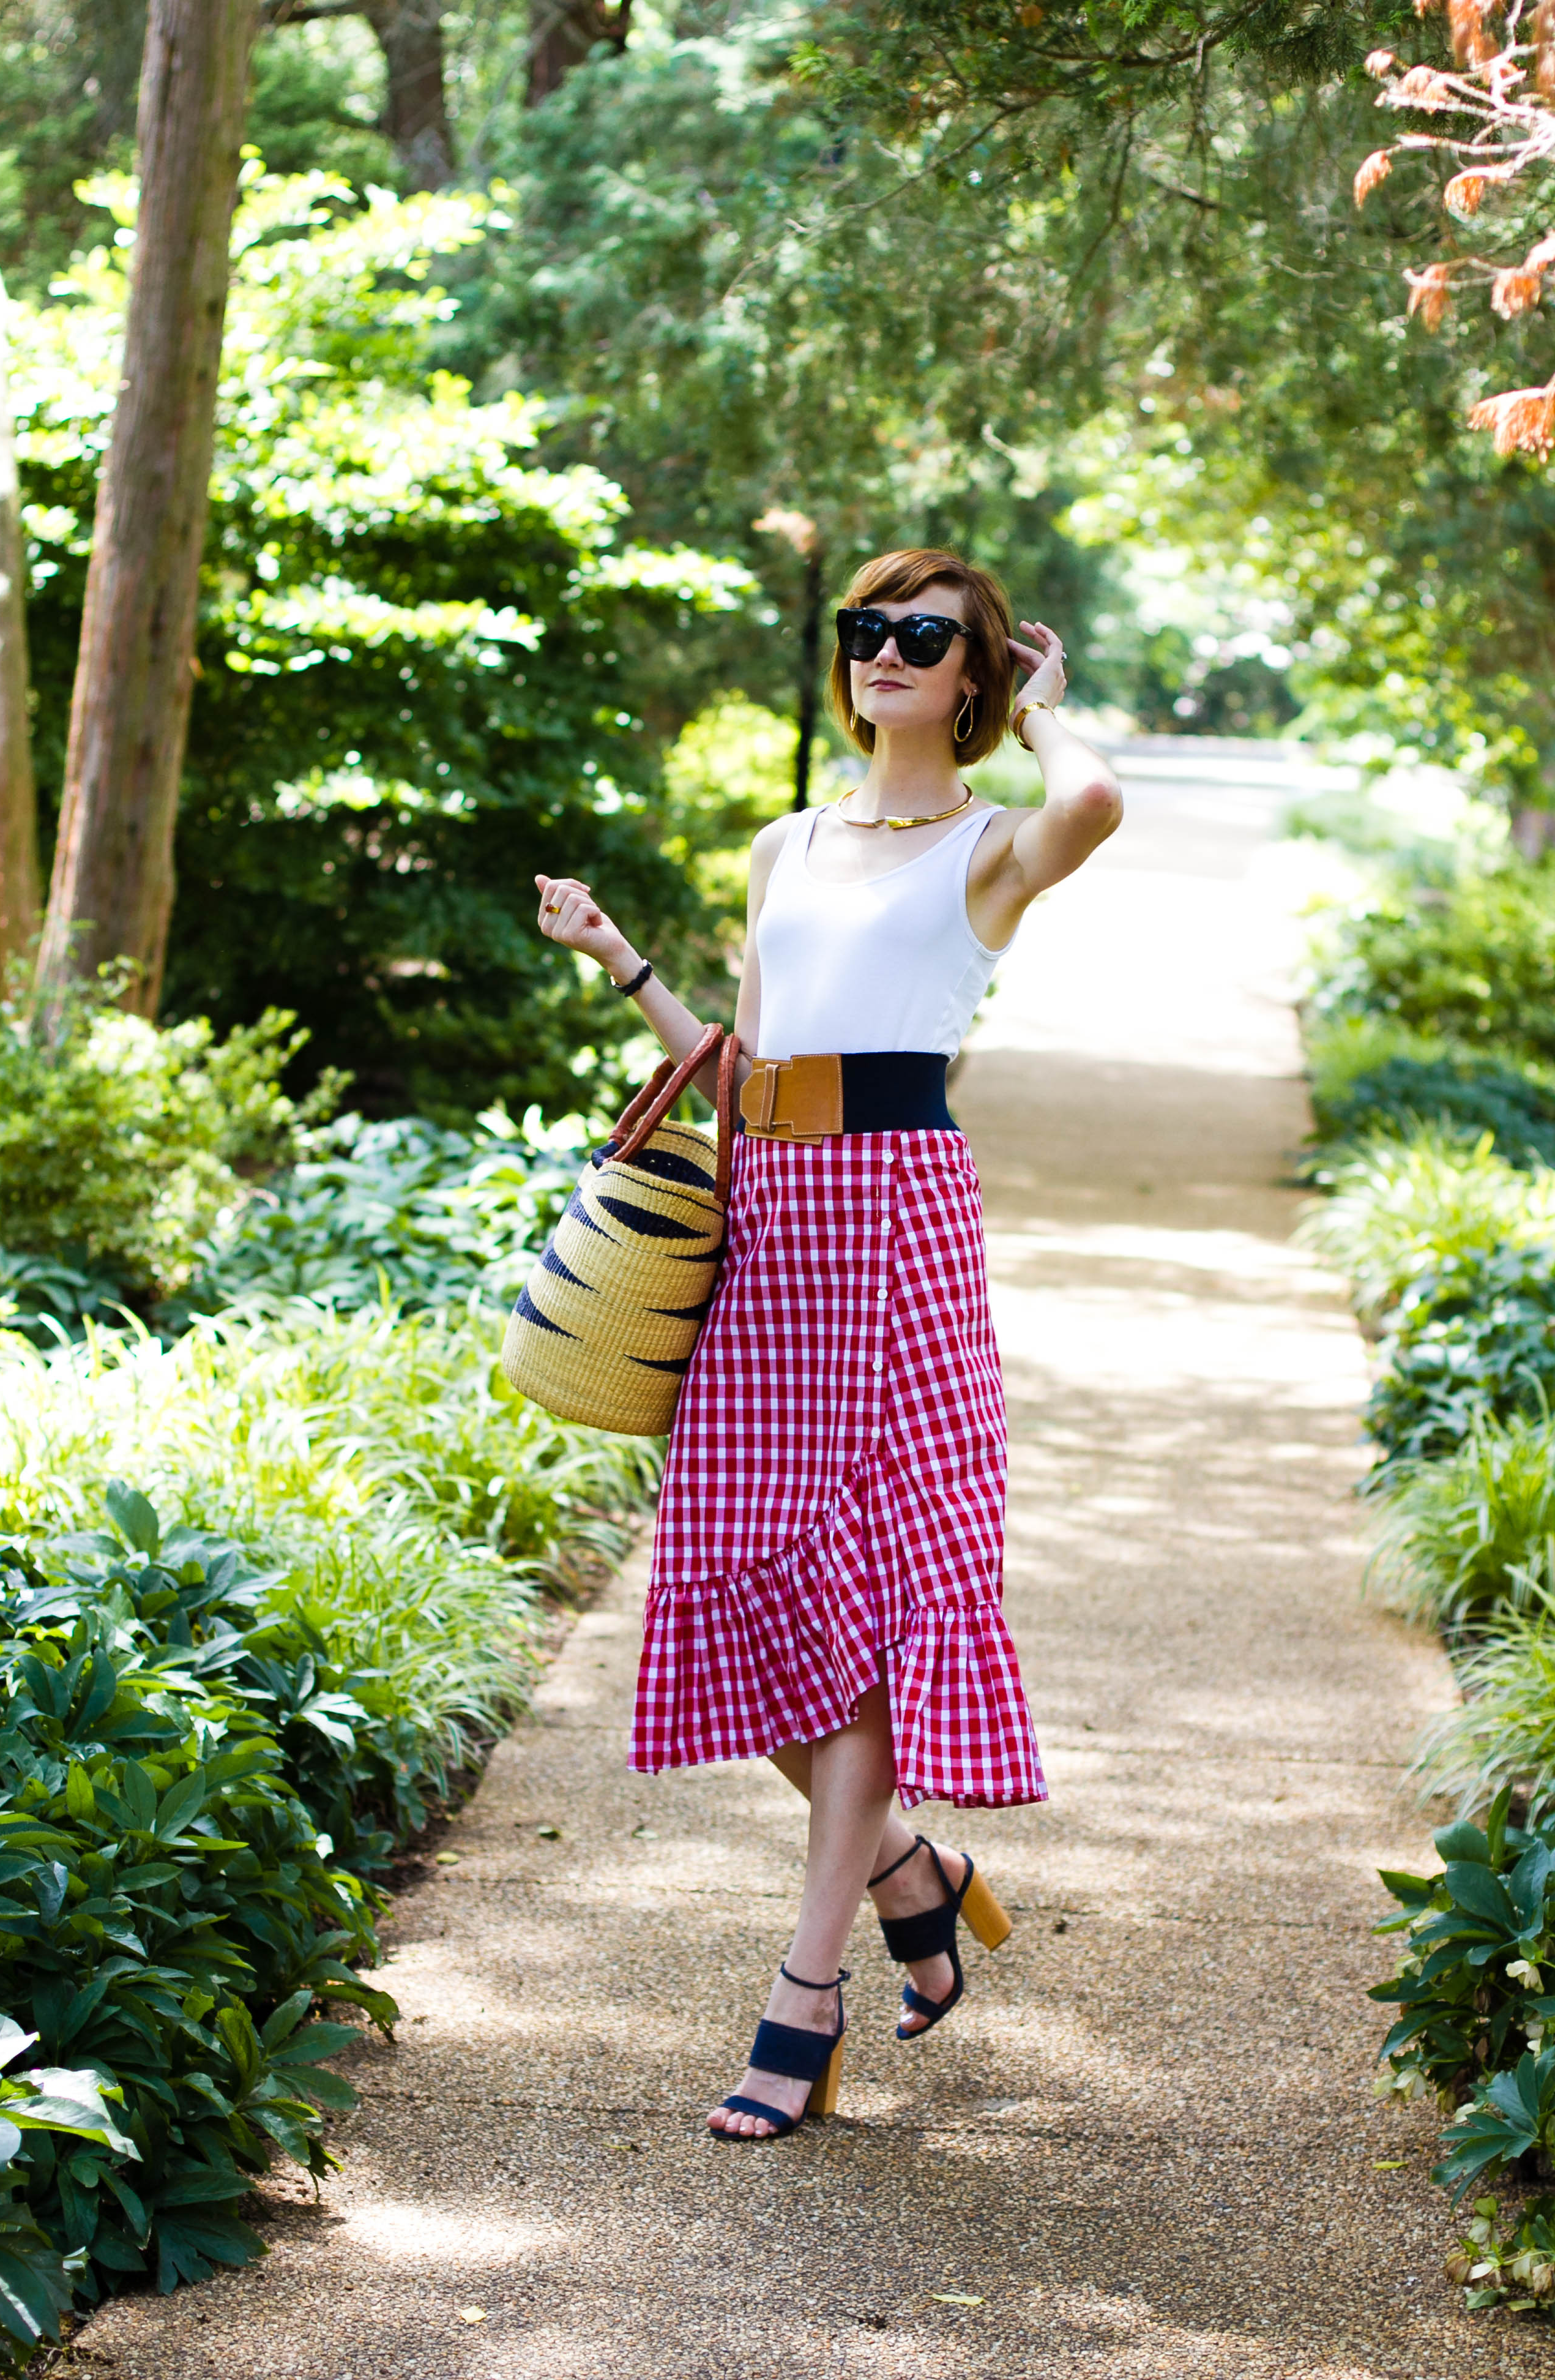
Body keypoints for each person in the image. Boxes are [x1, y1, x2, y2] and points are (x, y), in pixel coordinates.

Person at [534, 546, 1121, 2141]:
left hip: (895, 1235)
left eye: (924, 639)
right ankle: (912, 1877)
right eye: (868, 631)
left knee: (861, 1613)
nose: (885, 656)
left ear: (975, 677)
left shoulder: (992, 845)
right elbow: (748, 1068)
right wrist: (620, 964)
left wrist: (1052, 701)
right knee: (731, 1575)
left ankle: (809, 1994)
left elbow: (1095, 808)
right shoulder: (786, 843)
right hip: (773, 1225)